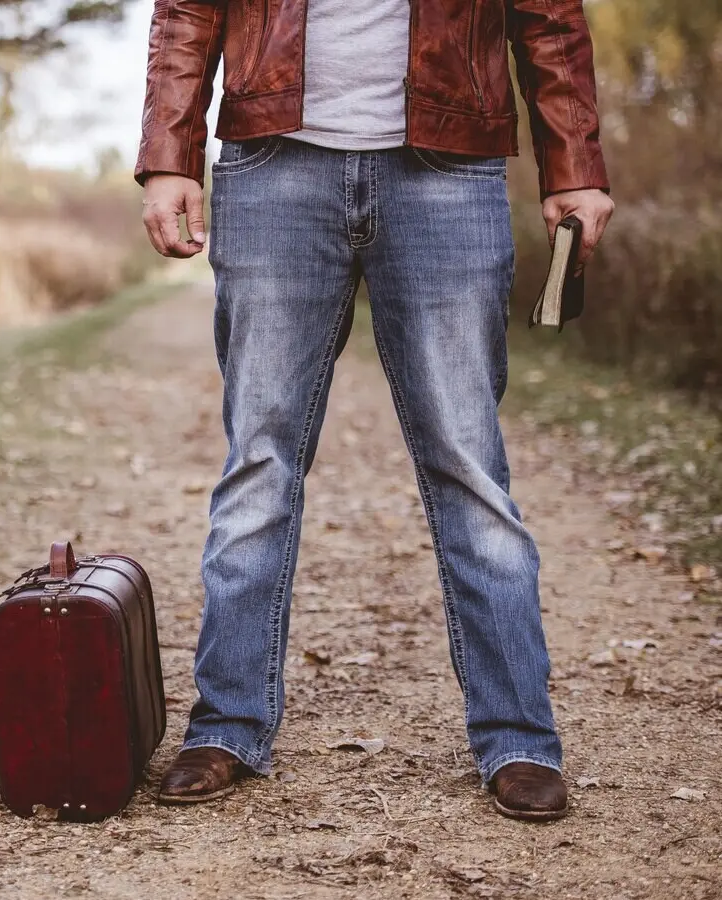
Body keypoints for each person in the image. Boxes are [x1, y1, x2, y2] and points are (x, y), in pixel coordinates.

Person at [137, 0, 614, 821]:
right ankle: (227, 724)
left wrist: (574, 163)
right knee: (259, 459)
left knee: (468, 463)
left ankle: (519, 737)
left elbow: (549, 14)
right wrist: (168, 154)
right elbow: (187, 9)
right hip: (273, 160)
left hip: (449, 167)